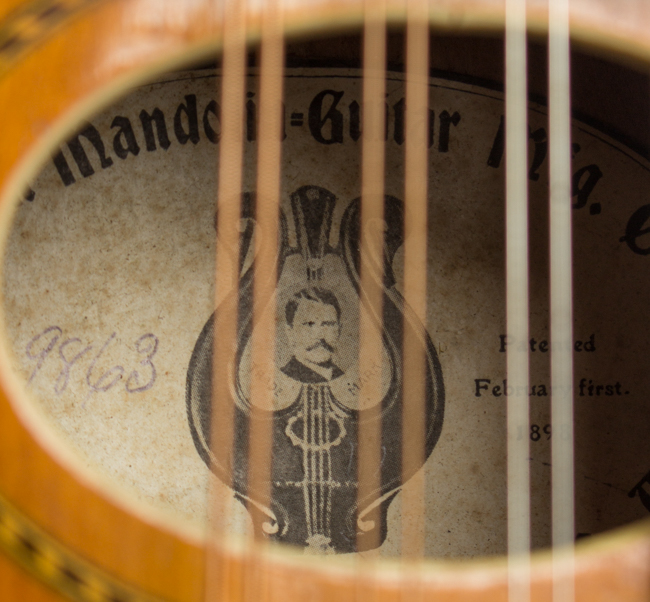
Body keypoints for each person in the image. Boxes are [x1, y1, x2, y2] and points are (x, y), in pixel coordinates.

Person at [281, 287, 344, 383]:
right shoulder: (284, 378)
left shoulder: (344, 378)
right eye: (309, 324)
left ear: (339, 330)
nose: (320, 335)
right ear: (290, 332)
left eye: (328, 324)